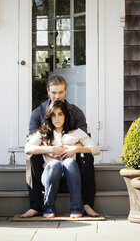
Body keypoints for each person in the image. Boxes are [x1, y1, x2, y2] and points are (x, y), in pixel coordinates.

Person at [21, 75, 100, 218]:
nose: (57, 96)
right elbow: (30, 143)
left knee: (87, 156)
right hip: (48, 163)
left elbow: (86, 140)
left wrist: (71, 147)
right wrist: (49, 148)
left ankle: (85, 204)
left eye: (60, 92)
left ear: (66, 91)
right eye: (53, 92)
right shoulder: (38, 113)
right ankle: (36, 205)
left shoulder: (76, 112)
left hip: (72, 161)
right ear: (48, 92)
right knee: (31, 157)